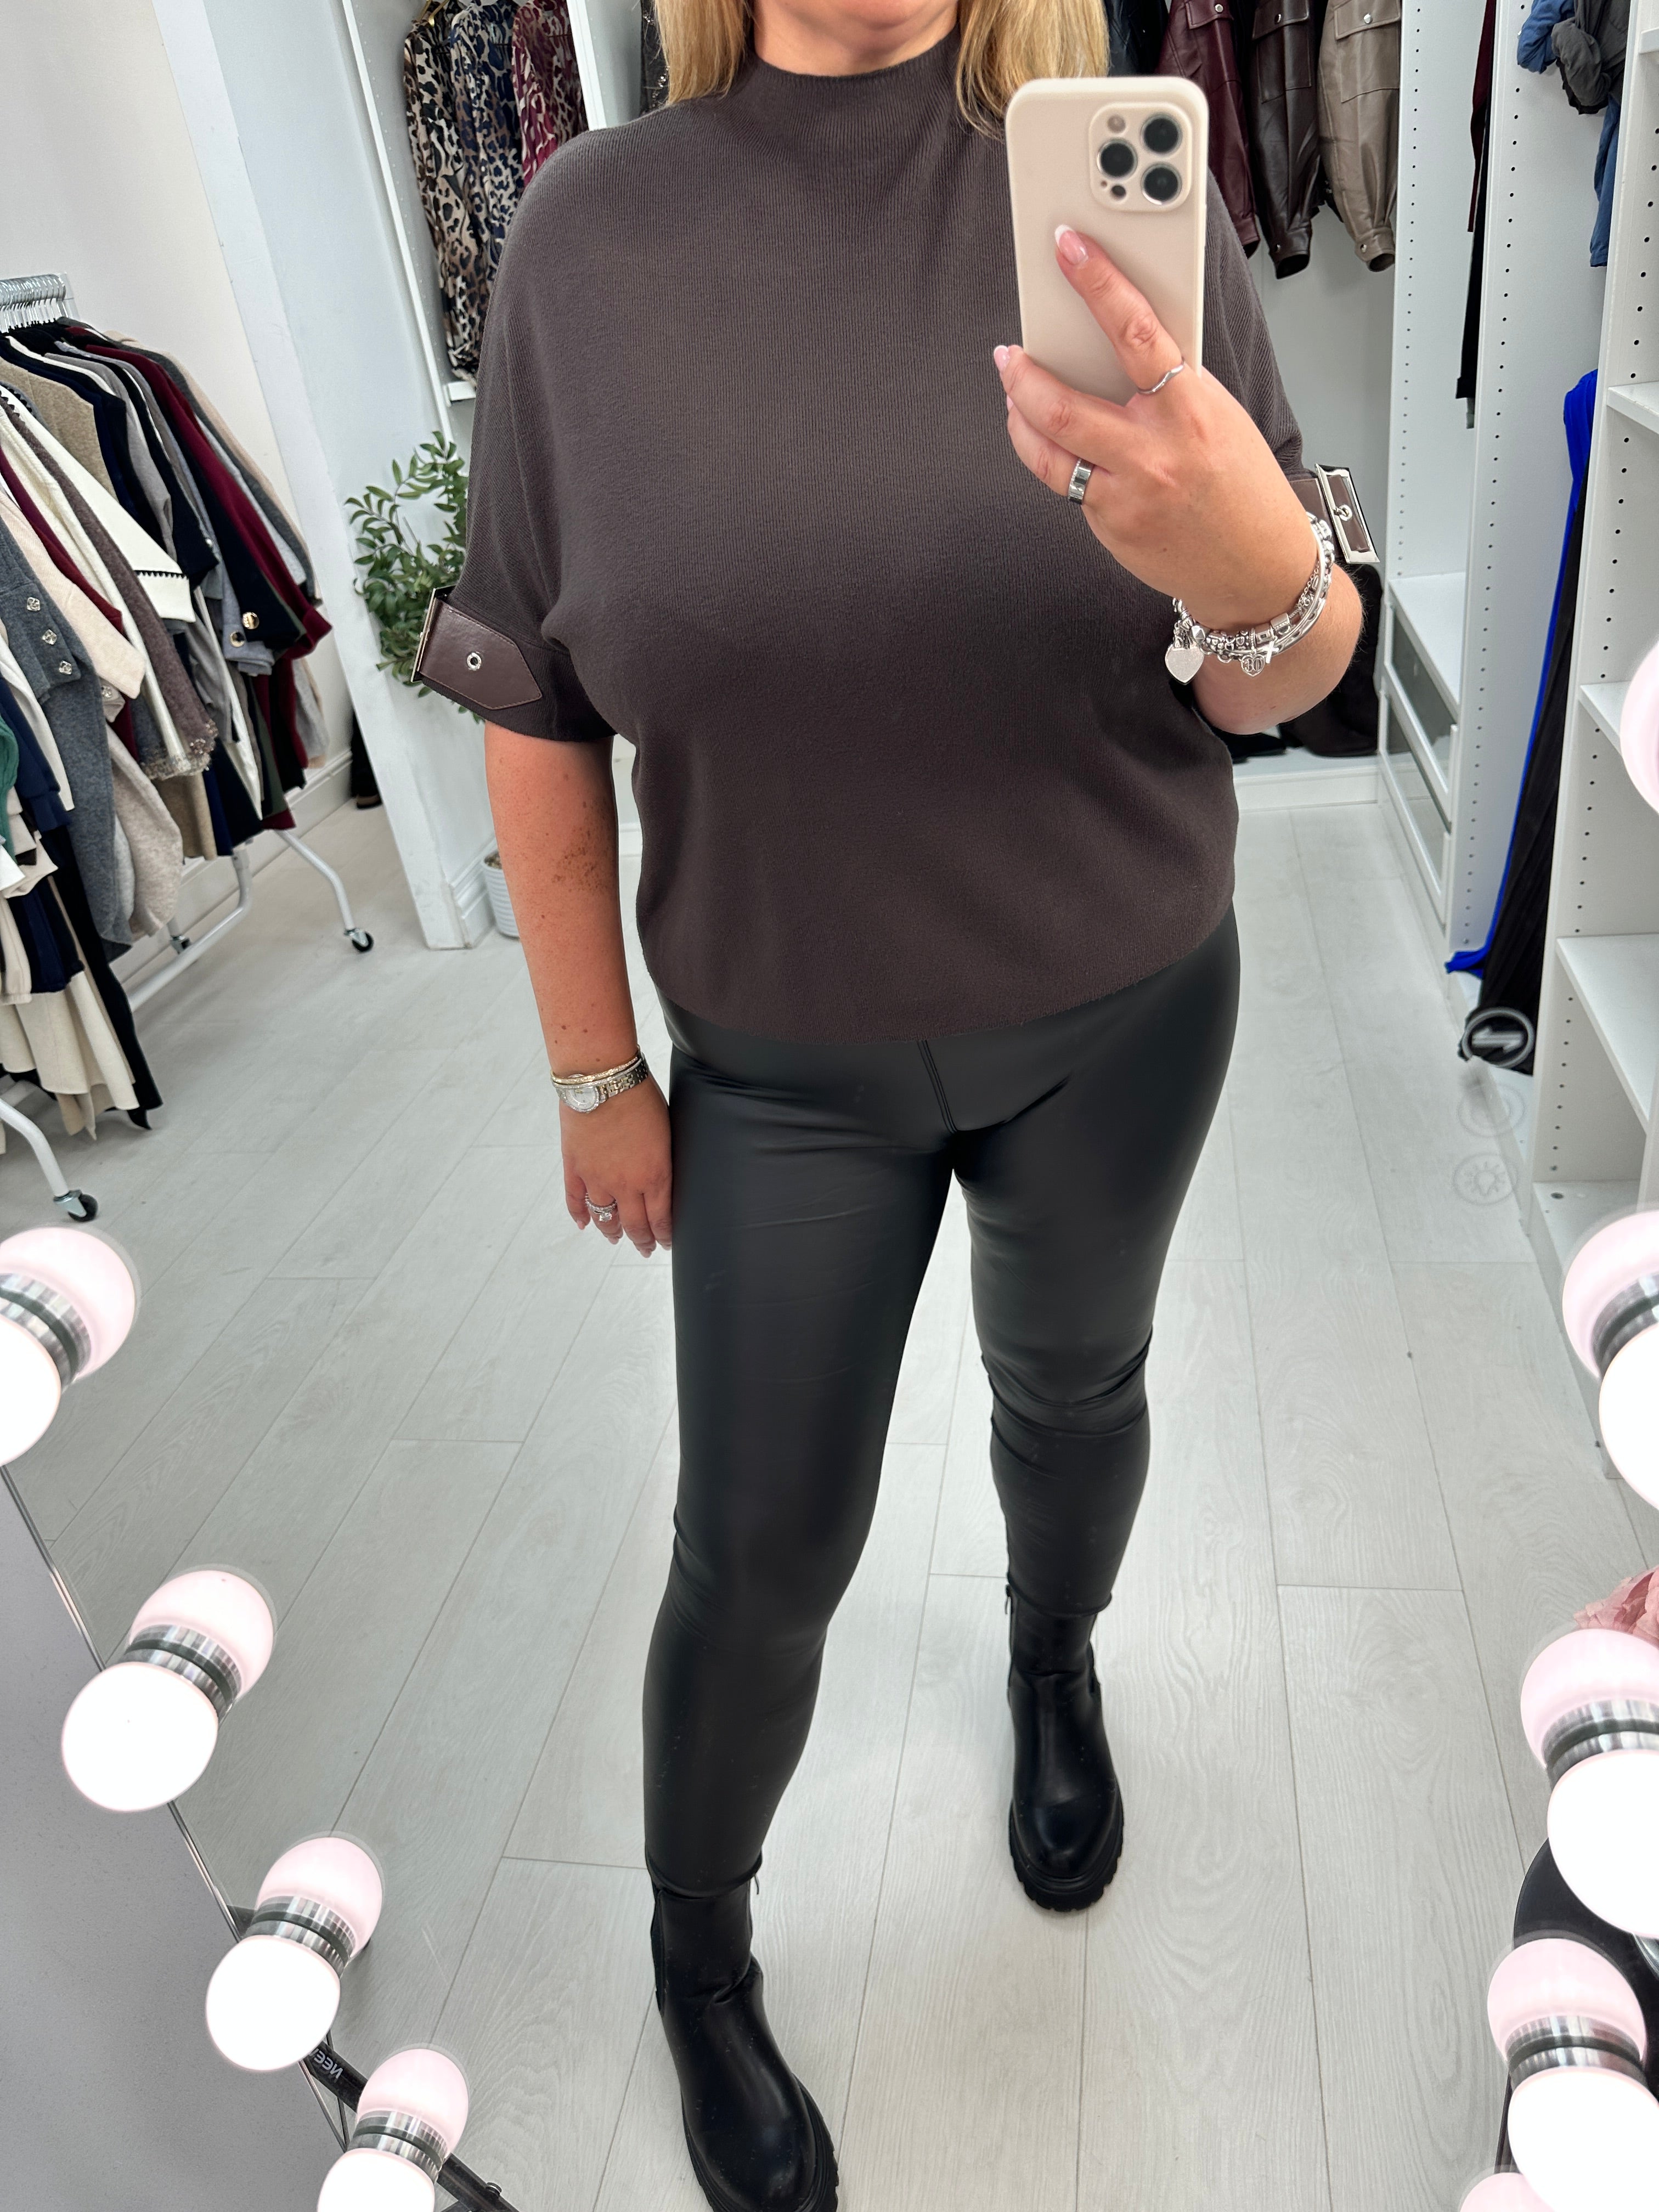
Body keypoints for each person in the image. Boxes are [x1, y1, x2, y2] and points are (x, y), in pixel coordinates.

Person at [420, 3, 1362, 2205]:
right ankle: (699, 1951)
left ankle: (1055, 1665)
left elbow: (1297, 685)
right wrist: (592, 1069)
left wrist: (1256, 562)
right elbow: (534, 694)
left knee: (1077, 1392)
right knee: (760, 1545)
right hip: (781, 1061)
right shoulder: (589, 239)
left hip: (1122, 1002)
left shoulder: (1117, 197)